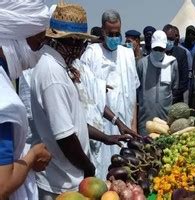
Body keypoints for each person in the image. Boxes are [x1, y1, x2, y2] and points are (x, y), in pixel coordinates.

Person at [30, 4, 130, 199]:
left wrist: (106, 137)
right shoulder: (53, 74)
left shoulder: (58, 67)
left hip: (68, 175)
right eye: (79, 44)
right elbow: (65, 137)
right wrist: (88, 167)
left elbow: (71, 122)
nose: (81, 50)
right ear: (66, 42)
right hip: (62, 181)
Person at [78, 9, 140, 179]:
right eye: (110, 33)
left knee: (126, 170)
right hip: (101, 128)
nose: (114, 37)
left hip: (125, 123)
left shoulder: (127, 54)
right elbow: (87, 96)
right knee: (103, 172)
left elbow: (133, 93)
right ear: (102, 31)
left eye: (117, 33)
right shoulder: (91, 54)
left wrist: (133, 123)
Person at [0, 1, 52, 199]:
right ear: (14, 36)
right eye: (37, 42)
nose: (38, 53)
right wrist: (33, 156)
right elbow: (2, 186)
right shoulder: (4, 100)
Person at [137, 30, 179, 135]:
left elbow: (174, 88)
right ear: (151, 46)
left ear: (165, 47)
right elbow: (137, 89)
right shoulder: (142, 63)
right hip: (145, 119)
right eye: (156, 48)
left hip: (164, 119)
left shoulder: (172, 63)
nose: (158, 51)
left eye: (161, 49)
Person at [163, 24, 188, 103]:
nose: (169, 41)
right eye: (167, 38)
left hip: (176, 99)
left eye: (171, 39)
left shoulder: (181, 53)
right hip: (161, 99)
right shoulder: (158, 52)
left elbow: (184, 79)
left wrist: (174, 95)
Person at [173, 25, 193, 104]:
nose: (176, 38)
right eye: (173, 36)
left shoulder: (184, 52)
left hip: (182, 91)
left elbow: (188, 73)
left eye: (177, 35)